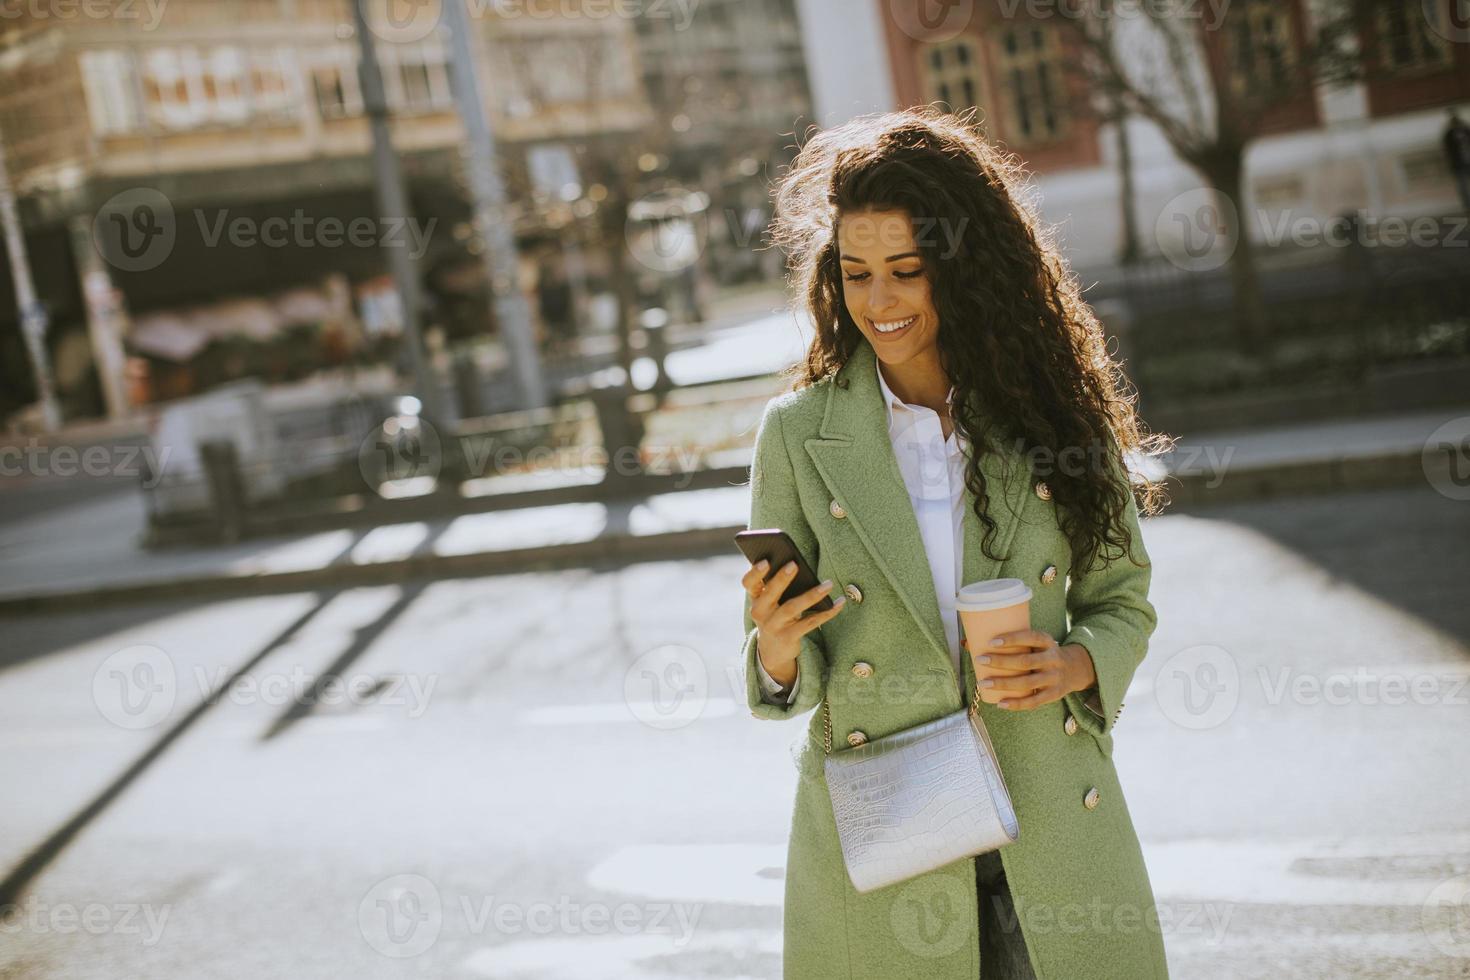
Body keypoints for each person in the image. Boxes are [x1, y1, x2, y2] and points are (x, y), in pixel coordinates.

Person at [735, 108, 1175, 979]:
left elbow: (1122, 599)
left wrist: (1072, 666)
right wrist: (777, 649)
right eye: (856, 274)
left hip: (1046, 812)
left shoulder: (1053, 414)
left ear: (965, 270)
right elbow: (780, 672)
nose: (880, 302)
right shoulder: (796, 435)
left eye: (907, 271)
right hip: (887, 833)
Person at [1444, 109, 1470, 214]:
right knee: (1462, 186)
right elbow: (1448, 151)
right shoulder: (1449, 135)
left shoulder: (1467, 131)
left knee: (1463, 185)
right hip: (1458, 164)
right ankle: (1467, 206)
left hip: (1467, 161)